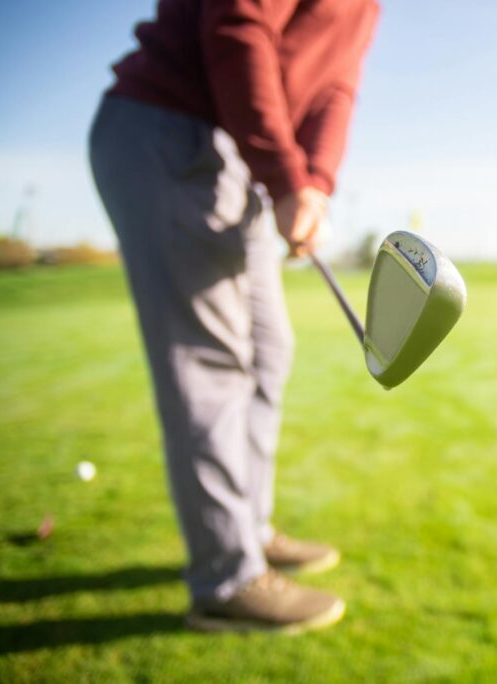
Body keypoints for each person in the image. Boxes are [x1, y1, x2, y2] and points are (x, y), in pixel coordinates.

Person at [89, 0, 379, 634]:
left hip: (238, 157)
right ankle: (227, 577)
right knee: (210, 365)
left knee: (271, 349)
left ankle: (249, 529)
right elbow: (236, 25)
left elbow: (336, 85)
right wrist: (283, 174)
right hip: (171, 129)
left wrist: (314, 184)